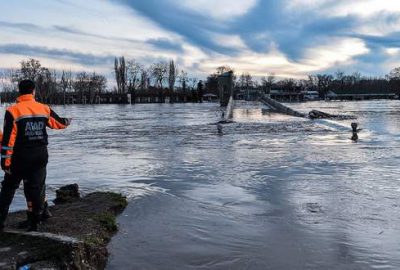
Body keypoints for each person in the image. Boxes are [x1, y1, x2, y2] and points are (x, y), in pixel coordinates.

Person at [0, 79, 71, 231]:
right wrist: (68, 121)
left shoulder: (13, 111)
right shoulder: (43, 108)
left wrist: (5, 162)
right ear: (33, 91)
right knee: (35, 188)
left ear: (19, 91)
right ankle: (34, 223)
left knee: (8, 189)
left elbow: (8, 139)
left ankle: (1, 221)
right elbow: (59, 123)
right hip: (40, 155)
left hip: (20, 157)